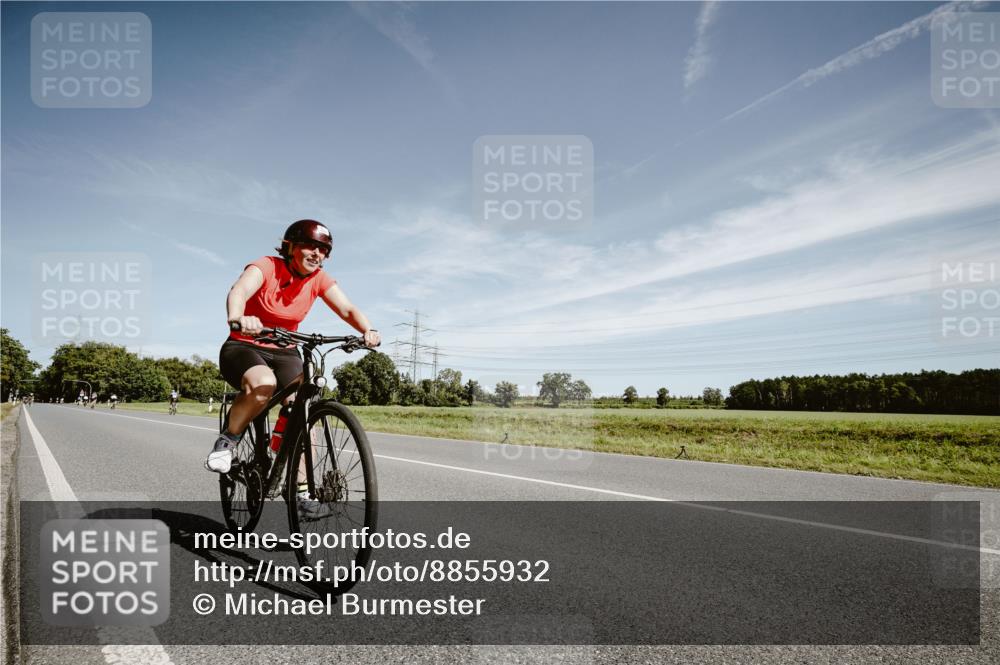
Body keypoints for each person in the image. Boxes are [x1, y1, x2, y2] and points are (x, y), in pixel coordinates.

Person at [204, 220, 380, 501]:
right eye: (310, 246)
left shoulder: (319, 279)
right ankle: (228, 441)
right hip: (244, 345)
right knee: (263, 384)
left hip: (285, 350)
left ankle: (299, 489)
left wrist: (367, 330)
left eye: (323, 250)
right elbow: (239, 291)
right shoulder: (267, 266)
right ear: (290, 247)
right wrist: (238, 317)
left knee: (303, 405)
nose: (316, 254)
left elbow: (347, 308)